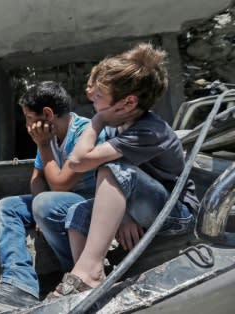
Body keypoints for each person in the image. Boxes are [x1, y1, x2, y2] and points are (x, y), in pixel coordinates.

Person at [46, 43, 199, 299]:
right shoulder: (120, 124)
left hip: (176, 213)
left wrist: (97, 120)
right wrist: (125, 215)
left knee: (113, 168)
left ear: (128, 102)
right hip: (141, 206)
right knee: (77, 212)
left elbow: (78, 161)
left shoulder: (148, 131)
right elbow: (86, 165)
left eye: (98, 98)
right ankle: (84, 277)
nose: (92, 102)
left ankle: (90, 273)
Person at [0, 81, 105, 312]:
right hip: (59, 201)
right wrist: (38, 212)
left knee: (46, 202)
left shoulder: (83, 133)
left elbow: (60, 185)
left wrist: (44, 145)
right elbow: (37, 179)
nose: (27, 124)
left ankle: (78, 271)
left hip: (89, 204)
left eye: (29, 117)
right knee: (8, 206)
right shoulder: (48, 138)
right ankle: (19, 285)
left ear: (47, 114)